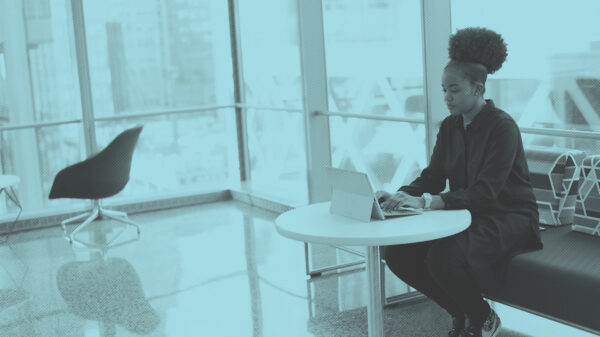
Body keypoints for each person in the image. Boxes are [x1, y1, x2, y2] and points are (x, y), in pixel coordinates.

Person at [377, 27, 543, 337]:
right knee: (397, 253)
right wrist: (399, 195)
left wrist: (428, 202)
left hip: (510, 216)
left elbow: (487, 192)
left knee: (442, 257)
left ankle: (480, 318)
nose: (446, 97)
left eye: (454, 89)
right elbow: (433, 176)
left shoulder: (502, 127)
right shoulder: (450, 126)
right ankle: (467, 313)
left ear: (478, 88)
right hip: (467, 212)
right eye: (443, 89)